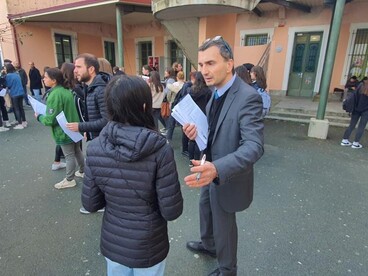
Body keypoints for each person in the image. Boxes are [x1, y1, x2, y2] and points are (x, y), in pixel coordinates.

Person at [81, 75, 183, 276]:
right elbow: (171, 211)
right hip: (150, 244)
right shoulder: (160, 149)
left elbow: (90, 204)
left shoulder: (94, 148)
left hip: (114, 242)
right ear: (144, 106)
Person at [182, 36, 264, 276]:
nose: (203, 71)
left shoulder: (248, 97)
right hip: (210, 167)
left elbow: (254, 146)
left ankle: (228, 269)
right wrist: (196, 133)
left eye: (210, 63)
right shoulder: (215, 93)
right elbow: (214, 132)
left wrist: (217, 169)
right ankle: (209, 245)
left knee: (224, 223)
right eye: (201, 65)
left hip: (226, 174)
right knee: (205, 207)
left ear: (229, 65)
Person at [66, 53, 108, 214]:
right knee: (98, 173)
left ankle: (101, 204)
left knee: (99, 173)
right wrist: (88, 131)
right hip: (97, 138)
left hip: (103, 140)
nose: (74, 70)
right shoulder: (90, 87)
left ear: (91, 69)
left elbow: (106, 120)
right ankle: (99, 203)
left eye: (78, 67)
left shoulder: (99, 90)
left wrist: (81, 127)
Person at [35, 67, 84, 189]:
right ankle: (83, 171)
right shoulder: (65, 90)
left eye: (45, 77)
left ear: (54, 80)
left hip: (64, 130)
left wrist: (39, 117)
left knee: (69, 155)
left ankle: (69, 179)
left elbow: (50, 119)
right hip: (74, 128)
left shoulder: (55, 94)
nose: (43, 79)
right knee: (77, 151)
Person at [187, 72, 212, 163]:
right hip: (203, 116)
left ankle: (191, 160)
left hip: (192, 115)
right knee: (200, 139)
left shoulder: (191, 90)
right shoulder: (208, 91)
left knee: (191, 139)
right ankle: (197, 160)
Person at [341, 77, 368, 149]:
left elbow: (354, 96)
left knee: (351, 125)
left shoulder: (361, 85)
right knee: (361, 127)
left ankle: (344, 140)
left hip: (356, 109)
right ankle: (355, 143)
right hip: (366, 111)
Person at [4, 64, 27, 129]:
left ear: (8, 69)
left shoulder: (8, 76)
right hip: (21, 92)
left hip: (14, 93)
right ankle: (24, 121)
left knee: (16, 109)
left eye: (5, 69)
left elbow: (8, 85)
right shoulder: (17, 74)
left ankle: (19, 124)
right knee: (21, 108)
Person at [165, 71, 185, 143]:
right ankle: (185, 139)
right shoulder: (185, 85)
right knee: (183, 123)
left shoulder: (173, 85)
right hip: (182, 105)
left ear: (177, 77)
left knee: (171, 122)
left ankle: (168, 138)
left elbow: (169, 95)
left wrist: (170, 101)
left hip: (174, 103)